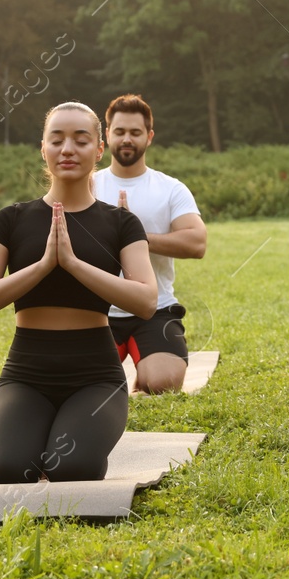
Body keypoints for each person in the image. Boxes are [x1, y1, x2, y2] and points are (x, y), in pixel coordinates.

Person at [0, 102, 157, 484]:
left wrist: (73, 264)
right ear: (43, 148)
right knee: (5, 471)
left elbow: (146, 301)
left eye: (80, 140)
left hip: (96, 375)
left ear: (98, 150)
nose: (68, 149)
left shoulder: (121, 223)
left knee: (71, 469)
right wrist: (41, 266)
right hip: (27, 372)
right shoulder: (11, 219)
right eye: (57, 140)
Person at [91, 94, 207, 394]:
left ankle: (147, 368)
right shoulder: (87, 186)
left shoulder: (170, 188)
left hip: (154, 308)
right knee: (87, 383)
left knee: (164, 384)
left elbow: (196, 243)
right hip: (97, 309)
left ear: (149, 137)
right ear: (107, 135)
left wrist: (135, 234)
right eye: (119, 131)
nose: (126, 139)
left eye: (135, 132)